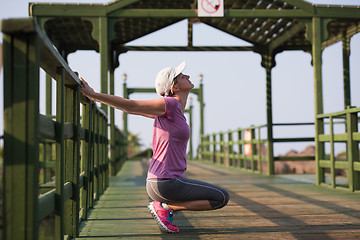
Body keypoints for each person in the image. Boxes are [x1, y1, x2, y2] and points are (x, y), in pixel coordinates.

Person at [80, 61, 229, 233]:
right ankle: (166, 207)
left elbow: (132, 109)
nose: (187, 76)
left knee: (219, 197)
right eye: (182, 76)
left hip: (159, 183)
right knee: (221, 197)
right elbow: (131, 106)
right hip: (165, 182)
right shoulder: (169, 104)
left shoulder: (174, 111)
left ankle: (165, 206)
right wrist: (94, 95)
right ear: (175, 87)